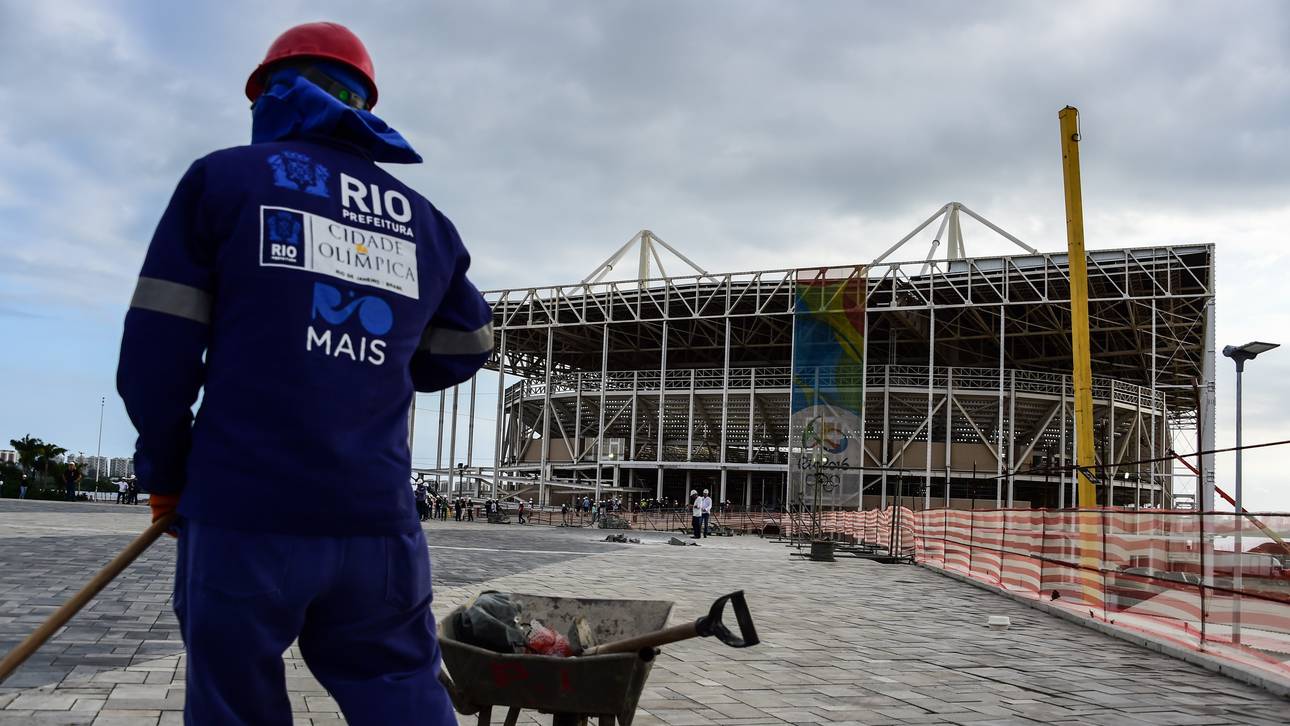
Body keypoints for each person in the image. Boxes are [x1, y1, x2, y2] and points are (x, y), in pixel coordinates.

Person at [116, 22, 491, 726]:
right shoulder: (427, 224)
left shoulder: (222, 182)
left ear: (270, 96)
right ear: (363, 106)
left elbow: (154, 357)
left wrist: (164, 474)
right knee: (399, 689)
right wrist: (371, 364)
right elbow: (469, 344)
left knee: (235, 705)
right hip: (379, 525)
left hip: (244, 513)